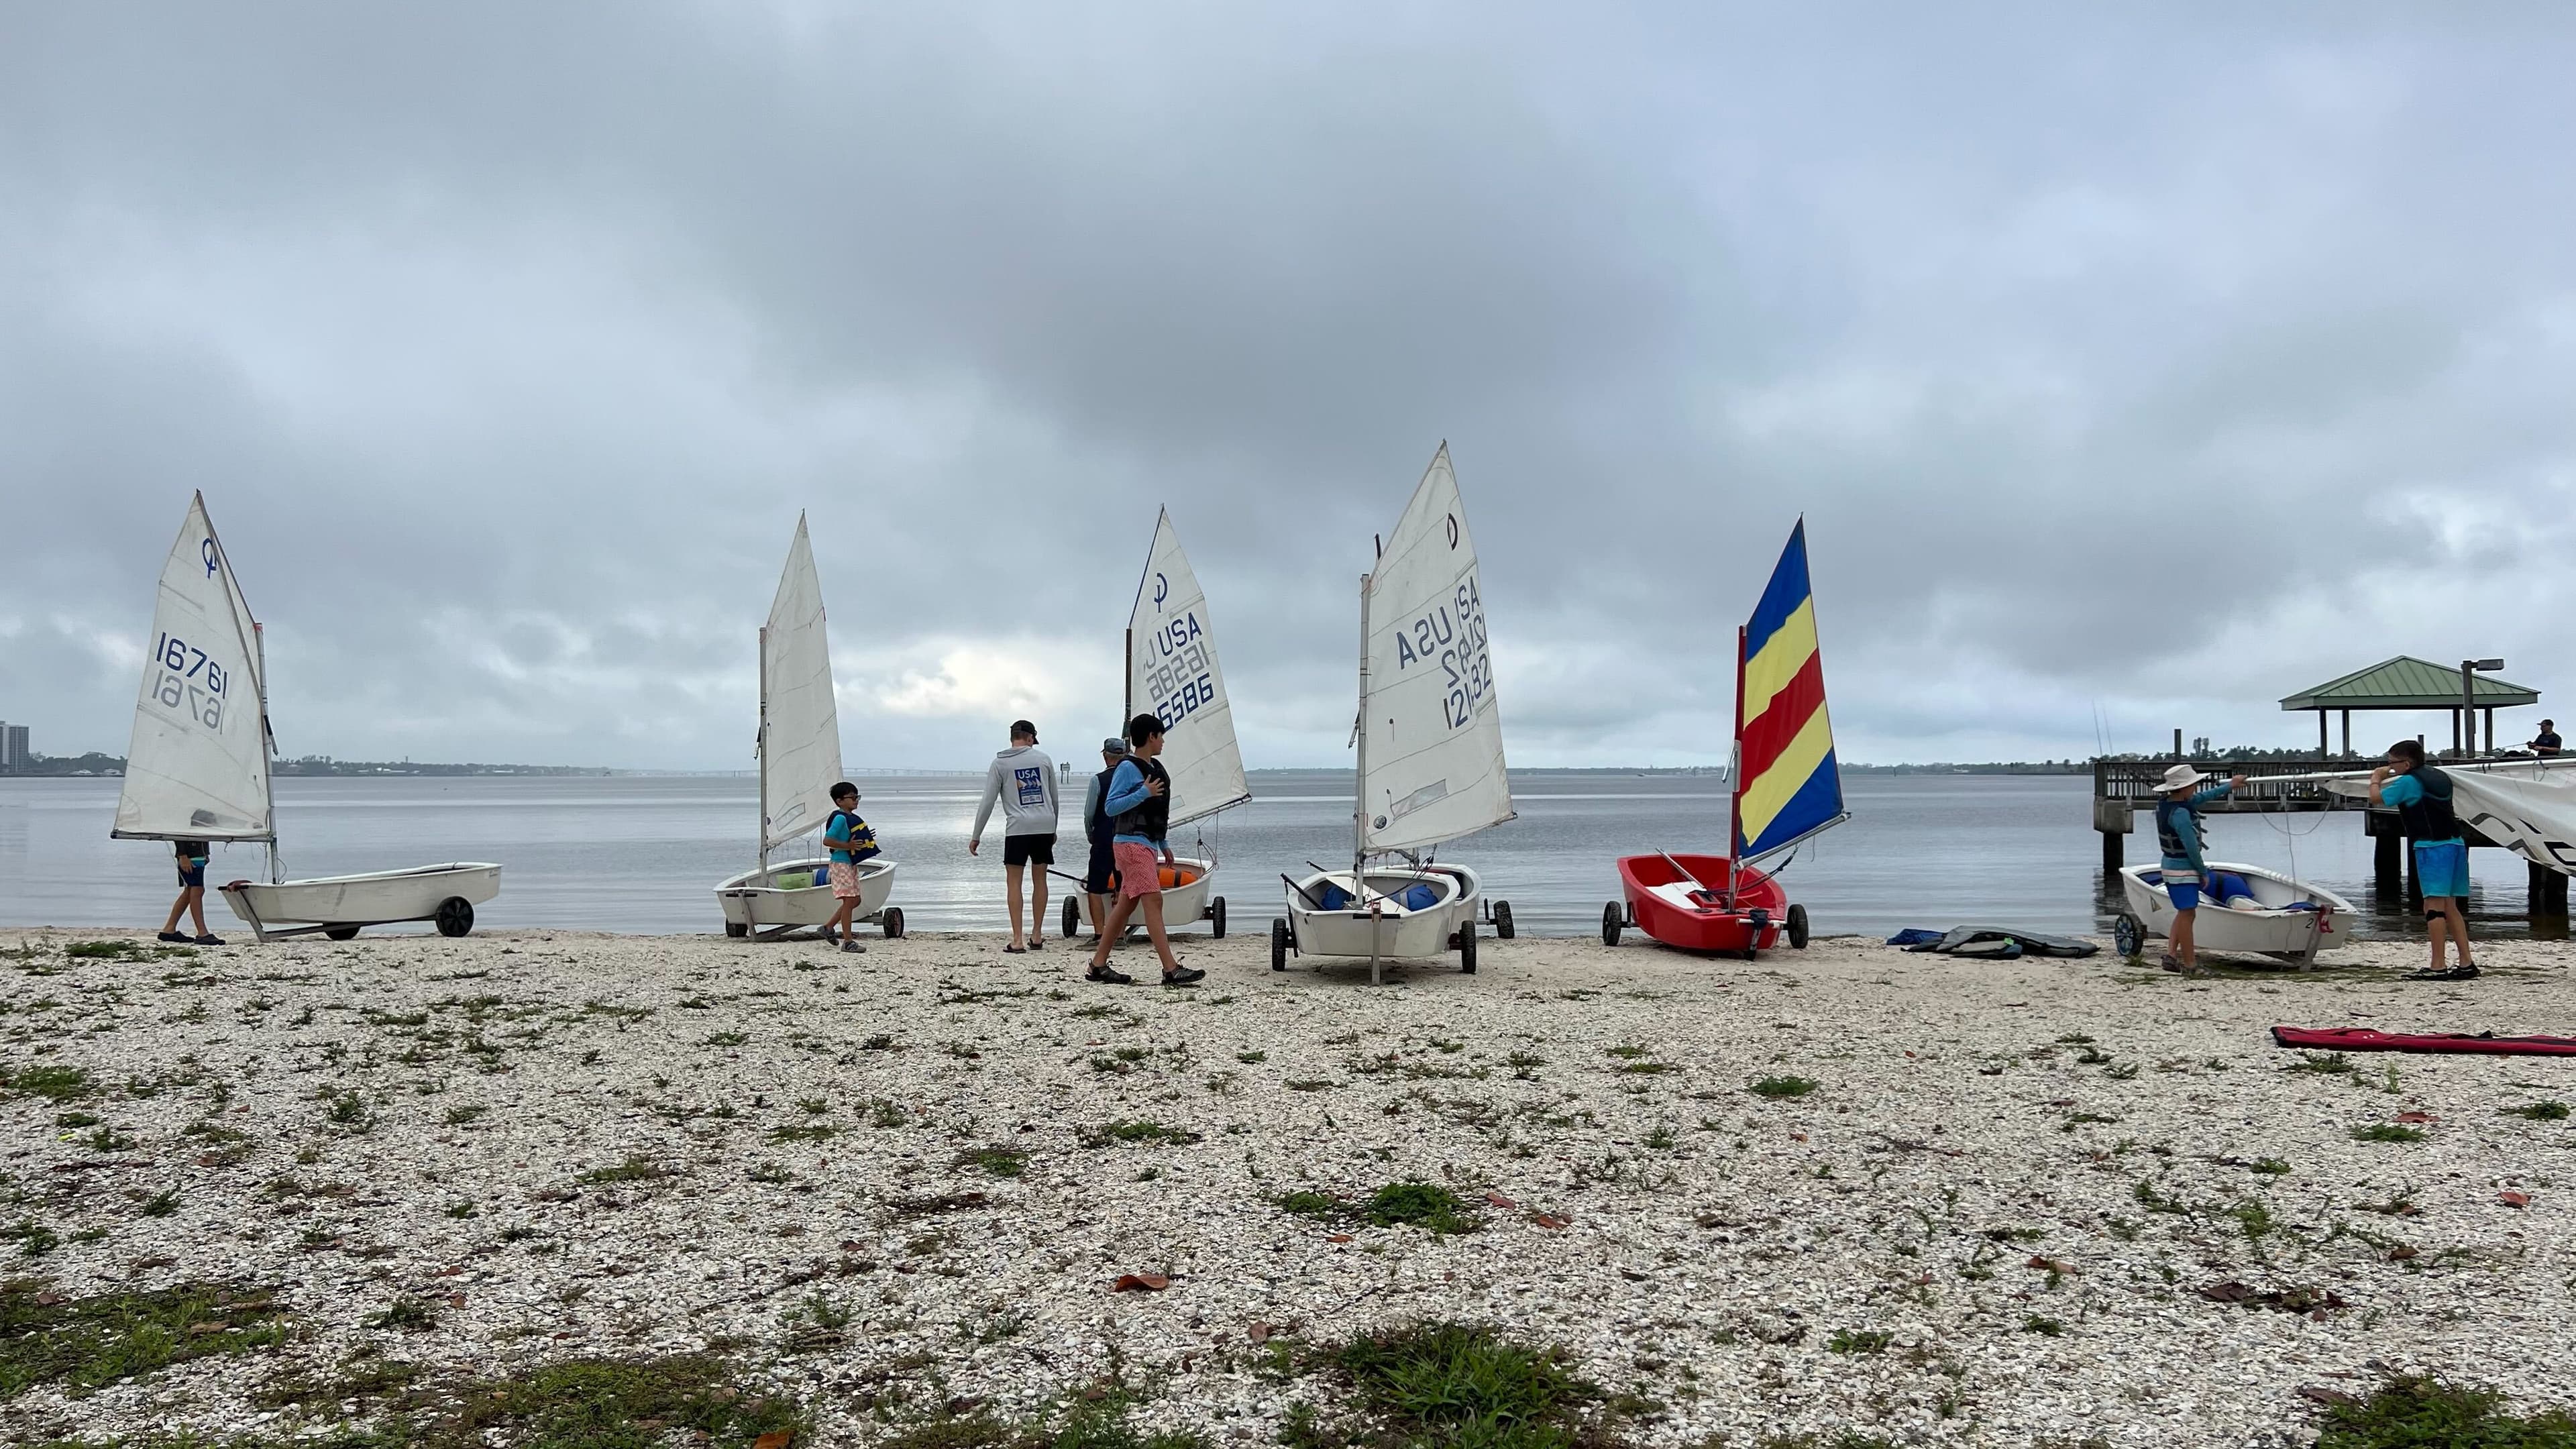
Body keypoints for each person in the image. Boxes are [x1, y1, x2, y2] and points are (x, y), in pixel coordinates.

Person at [1085, 712, 1203, 987]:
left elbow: (1156, 813)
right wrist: (1143, 793)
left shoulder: (1156, 768)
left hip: (1146, 844)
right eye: (1161, 736)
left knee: (1125, 905)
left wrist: (1163, 844)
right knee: (1154, 900)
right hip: (1130, 844)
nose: (1163, 742)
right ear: (1151, 737)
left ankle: (1098, 965)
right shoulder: (1128, 768)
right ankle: (1170, 969)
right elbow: (1110, 807)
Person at [2372, 739, 2476, 981]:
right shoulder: (2439, 776)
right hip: (2455, 843)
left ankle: (2438, 965)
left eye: (2392, 764)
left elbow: (2376, 798)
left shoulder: (2409, 781)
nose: (2390, 769)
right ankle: (2466, 962)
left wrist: (2376, 778)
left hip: (2432, 847)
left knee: (2433, 906)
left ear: (2406, 763)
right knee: (2451, 905)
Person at [969, 720, 1059, 953]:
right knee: (1040, 879)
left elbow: (988, 801)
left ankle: (1018, 939)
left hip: (1018, 827)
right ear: (1030, 738)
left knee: (1014, 882)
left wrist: (976, 835)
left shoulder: (1000, 763)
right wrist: (1053, 828)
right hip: (1044, 825)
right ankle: (1037, 934)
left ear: (1013, 737)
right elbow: (1053, 798)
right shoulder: (1044, 759)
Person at [2151, 763, 2247, 975]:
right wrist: (2202, 871)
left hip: (2170, 866)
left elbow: (2203, 798)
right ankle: (2191, 965)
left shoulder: (2169, 803)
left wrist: (2231, 785)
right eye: (2193, 785)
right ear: (2185, 787)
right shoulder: (2181, 815)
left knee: (2185, 913)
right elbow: (2191, 847)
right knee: (2188, 915)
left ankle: (2171, 955)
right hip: (2181, 871)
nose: (2195, 788)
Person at [1078, 736, 1130, 942]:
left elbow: (1089, 814)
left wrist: (1091, 835)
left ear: (1106, 757)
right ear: (1124, 756)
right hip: (1126, 840)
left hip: (1103, 840)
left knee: (1095, 888)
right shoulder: (1132, 780)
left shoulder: (1097, 780)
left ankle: (1100, 933)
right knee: (1123, 888)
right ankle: (1119, 934)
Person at [820, 782, 879, 953]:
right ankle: (848, 941)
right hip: (841, 862)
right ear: (839, 801)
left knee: (856, 900)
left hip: (850, 862)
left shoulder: (848, 818)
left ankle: (828, 927)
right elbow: (828, 841)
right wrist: (849, 845)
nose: (856, 800)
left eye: (857, 797)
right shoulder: (839, 818)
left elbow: (847, 837)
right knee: (848, 901)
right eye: (852, 797)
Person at [156, 837, 221, 946]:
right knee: (197, 890)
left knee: (189, 891)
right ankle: (202, 933)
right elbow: (179, 831)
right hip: (190, 854)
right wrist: (182, 855)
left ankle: (169, 929)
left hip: (197, 852)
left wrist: (205, 853)